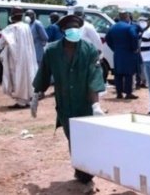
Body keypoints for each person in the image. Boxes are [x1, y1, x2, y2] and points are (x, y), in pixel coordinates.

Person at [32, 14, 106, 192]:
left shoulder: (89, 49)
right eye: (69, 27)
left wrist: (96, 105)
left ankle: (86, 177)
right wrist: (36, 95)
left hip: (84, 103)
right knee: (72, 138)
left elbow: (94, 77)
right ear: (63, 31)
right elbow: (44, 73)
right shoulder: (52, 51)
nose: (73, 30)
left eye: (76, 27)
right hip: (65, 104)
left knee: (87, 140)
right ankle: (82, 173)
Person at [0, 7, 37, 109]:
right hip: (27, 57)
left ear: (12, 16)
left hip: (16, 58)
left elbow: (3, 42)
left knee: (17, 78)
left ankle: (21, 102)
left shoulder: (10, 28)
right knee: (27, 77)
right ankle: (27, 100)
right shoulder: (26, 27)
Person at [106, 11, 139, 100]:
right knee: (129, 74)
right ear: (127, 17)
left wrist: (114, 48)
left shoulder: (113, 27)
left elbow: (107, 39)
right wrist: (134, 48)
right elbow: (134, 37)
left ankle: (119, 93)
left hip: (117, 53)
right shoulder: (129, 27)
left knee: (118, 74)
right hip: (128, 53)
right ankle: (128, 93)